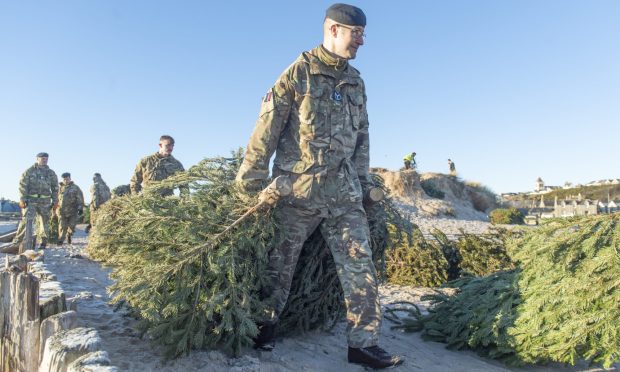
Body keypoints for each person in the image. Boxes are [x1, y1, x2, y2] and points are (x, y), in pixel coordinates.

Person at [235, 4, 402, 369]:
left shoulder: (356, 81)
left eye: (362, 33)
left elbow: (362, 140)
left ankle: (363, 344)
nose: (361, 40)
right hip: (298, 192)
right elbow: (264, 134)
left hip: (343, 195)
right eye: (354, 33)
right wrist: (248, 187)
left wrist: (363, 184)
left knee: (361, 270)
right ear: (332, 30)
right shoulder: (297, 74)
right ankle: (264, 327)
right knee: (278, 269)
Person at [10, 152, 59, 250]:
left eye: (46, 158)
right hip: (31, 201)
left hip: (45, 202)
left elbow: (55, 188)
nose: (44, 160)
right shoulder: (29, 171)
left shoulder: (51, 173)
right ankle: (17, 241)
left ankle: (43, 243)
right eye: (42, 158)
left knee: (44, 223)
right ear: (37, 159)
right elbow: (23, 185)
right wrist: (22, 199)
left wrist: (55, 201)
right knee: (26, 221)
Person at [57, 172, 84, 245]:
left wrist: (80, 208)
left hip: (72, 210)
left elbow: (80, 198)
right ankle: (61, 240)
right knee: (62, 226)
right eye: (64, 179)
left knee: (72, 225)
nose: (66, 181)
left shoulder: (75, 188)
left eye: (67, 179)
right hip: (61, 211)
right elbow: (55, 199)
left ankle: (69, 234)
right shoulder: (59, 188)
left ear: (70, 178)